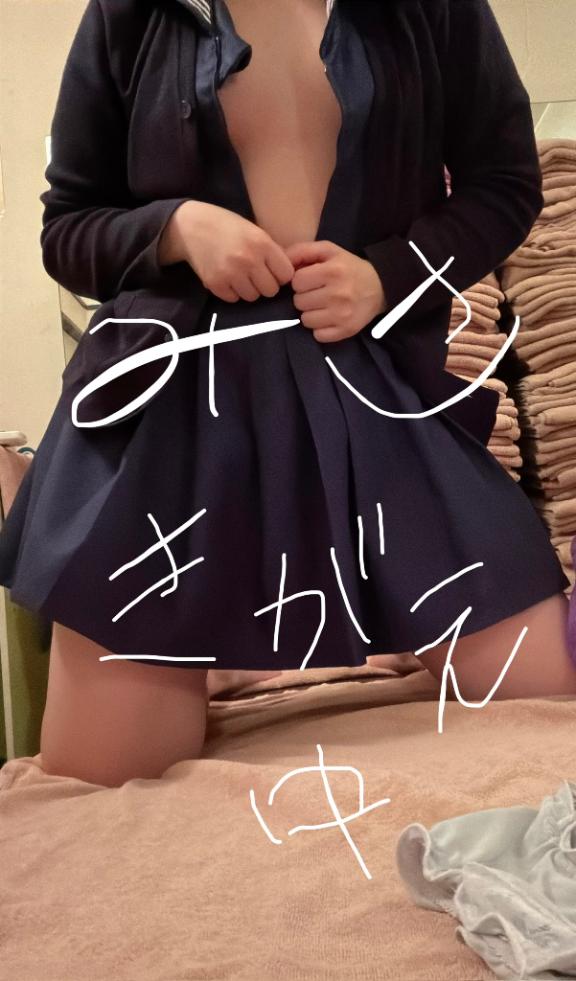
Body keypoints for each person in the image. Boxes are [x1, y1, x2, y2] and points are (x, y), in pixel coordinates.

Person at [1, 0, 576, 789]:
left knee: (545, 702)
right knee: (96, 777)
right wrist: (176, 229)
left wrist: (387, 273)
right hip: (173, 416)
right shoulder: (129, 12)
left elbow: (505, 185)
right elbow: (68, 227)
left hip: (374, 389)